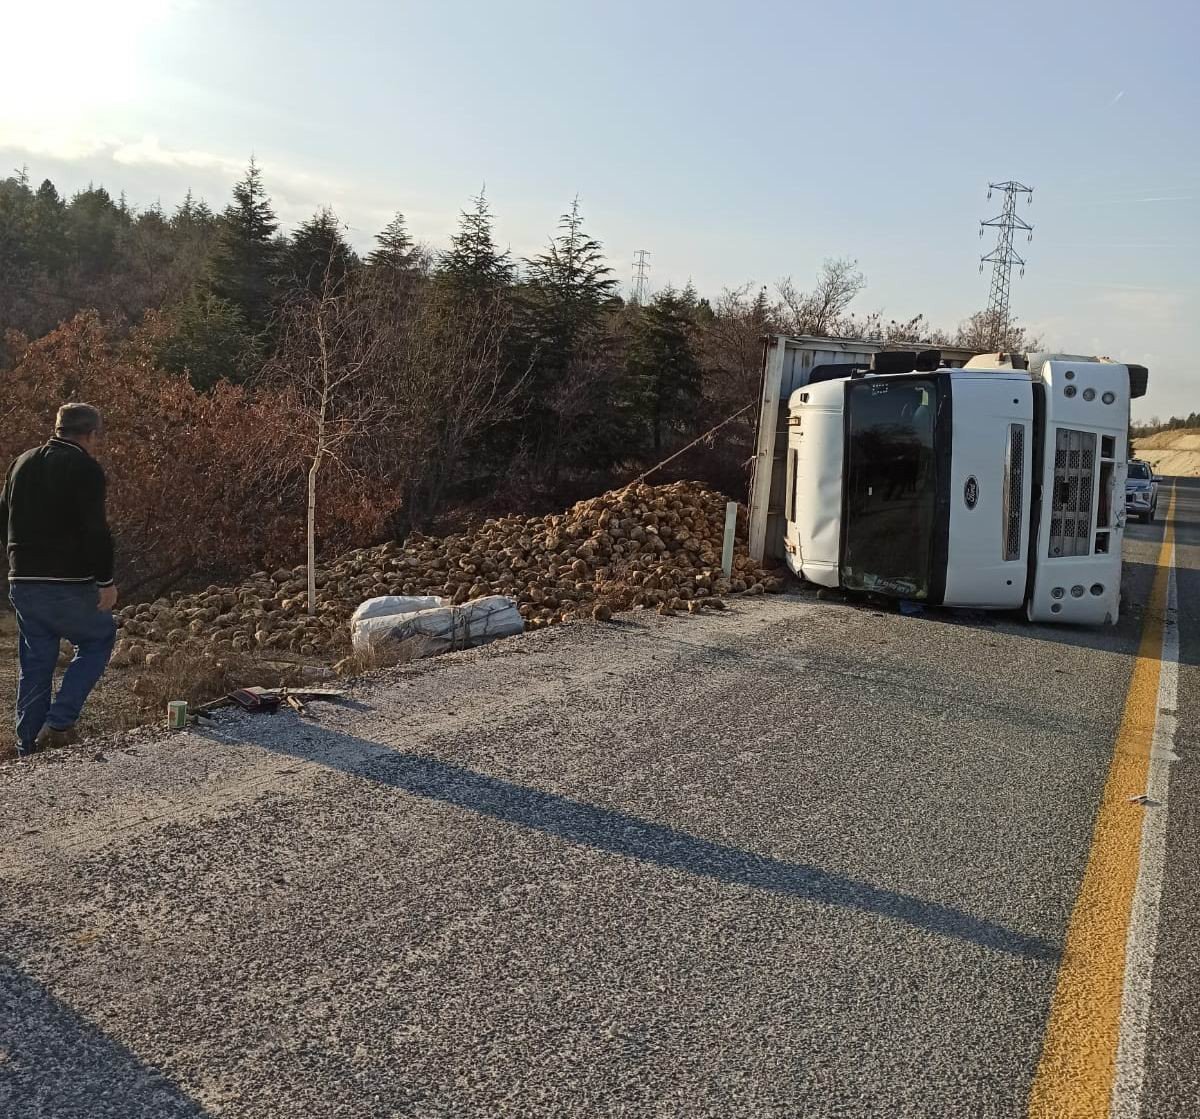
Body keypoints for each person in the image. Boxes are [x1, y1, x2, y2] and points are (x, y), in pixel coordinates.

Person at [0, 404, 118, 757]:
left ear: (57, 428)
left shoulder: (21, 462)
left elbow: (2, 517)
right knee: (98, 638)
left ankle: (27, 746)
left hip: (23, 578)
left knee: (36, 660)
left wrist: (17, 558)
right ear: (91, 434)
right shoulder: (85, 468)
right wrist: (105, 580)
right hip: (68, 580)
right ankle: (60, 722)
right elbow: (96, 531)